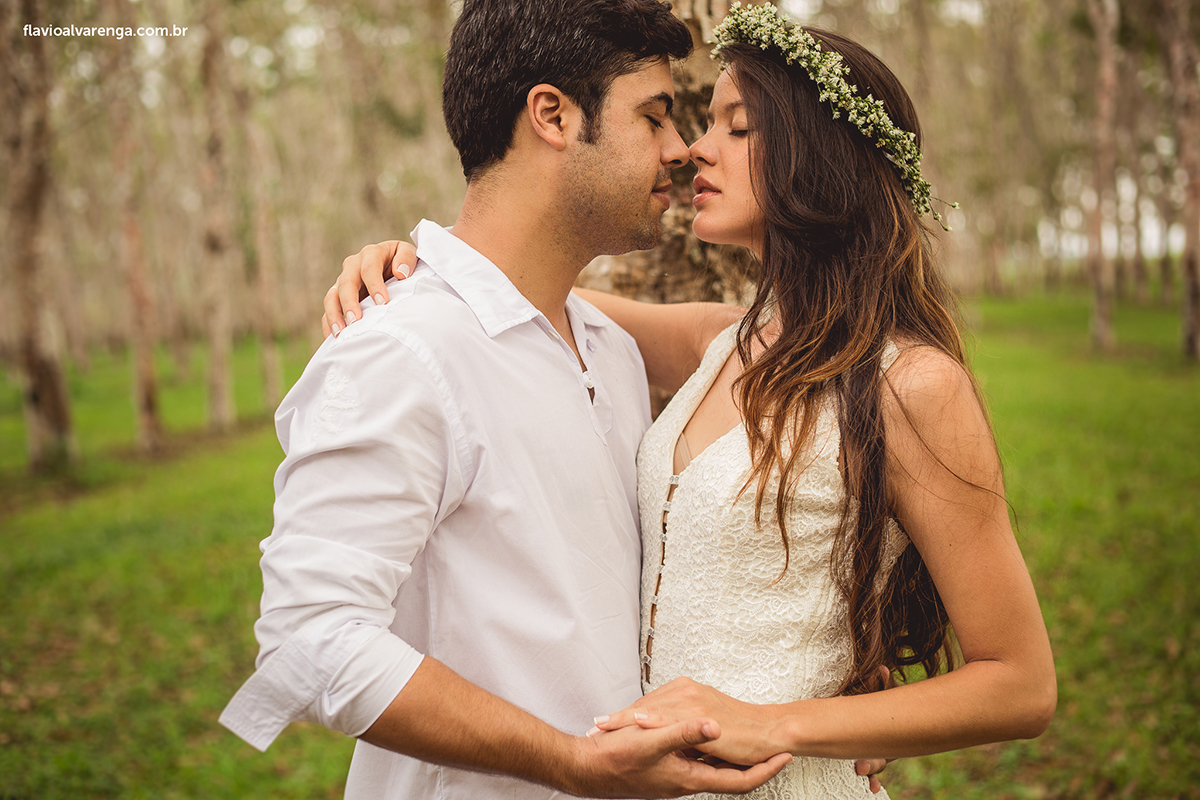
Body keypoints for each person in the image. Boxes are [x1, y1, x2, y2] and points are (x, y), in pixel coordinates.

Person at [324, 4, 1057, 798]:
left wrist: (784, 723)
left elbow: (1020, 684)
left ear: (821, 158)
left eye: (737, 128)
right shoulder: (717, 342)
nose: (696, 149)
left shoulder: (910, 383)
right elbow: (514, 287)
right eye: (701, 123)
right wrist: (409, 264)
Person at [219, 2, 798, 798]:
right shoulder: (399, 352)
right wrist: (572, 763)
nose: (678, 148)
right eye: (654, 116)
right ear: (552, 115)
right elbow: (309, 642)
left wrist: (815, 688)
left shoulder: (609, 349)